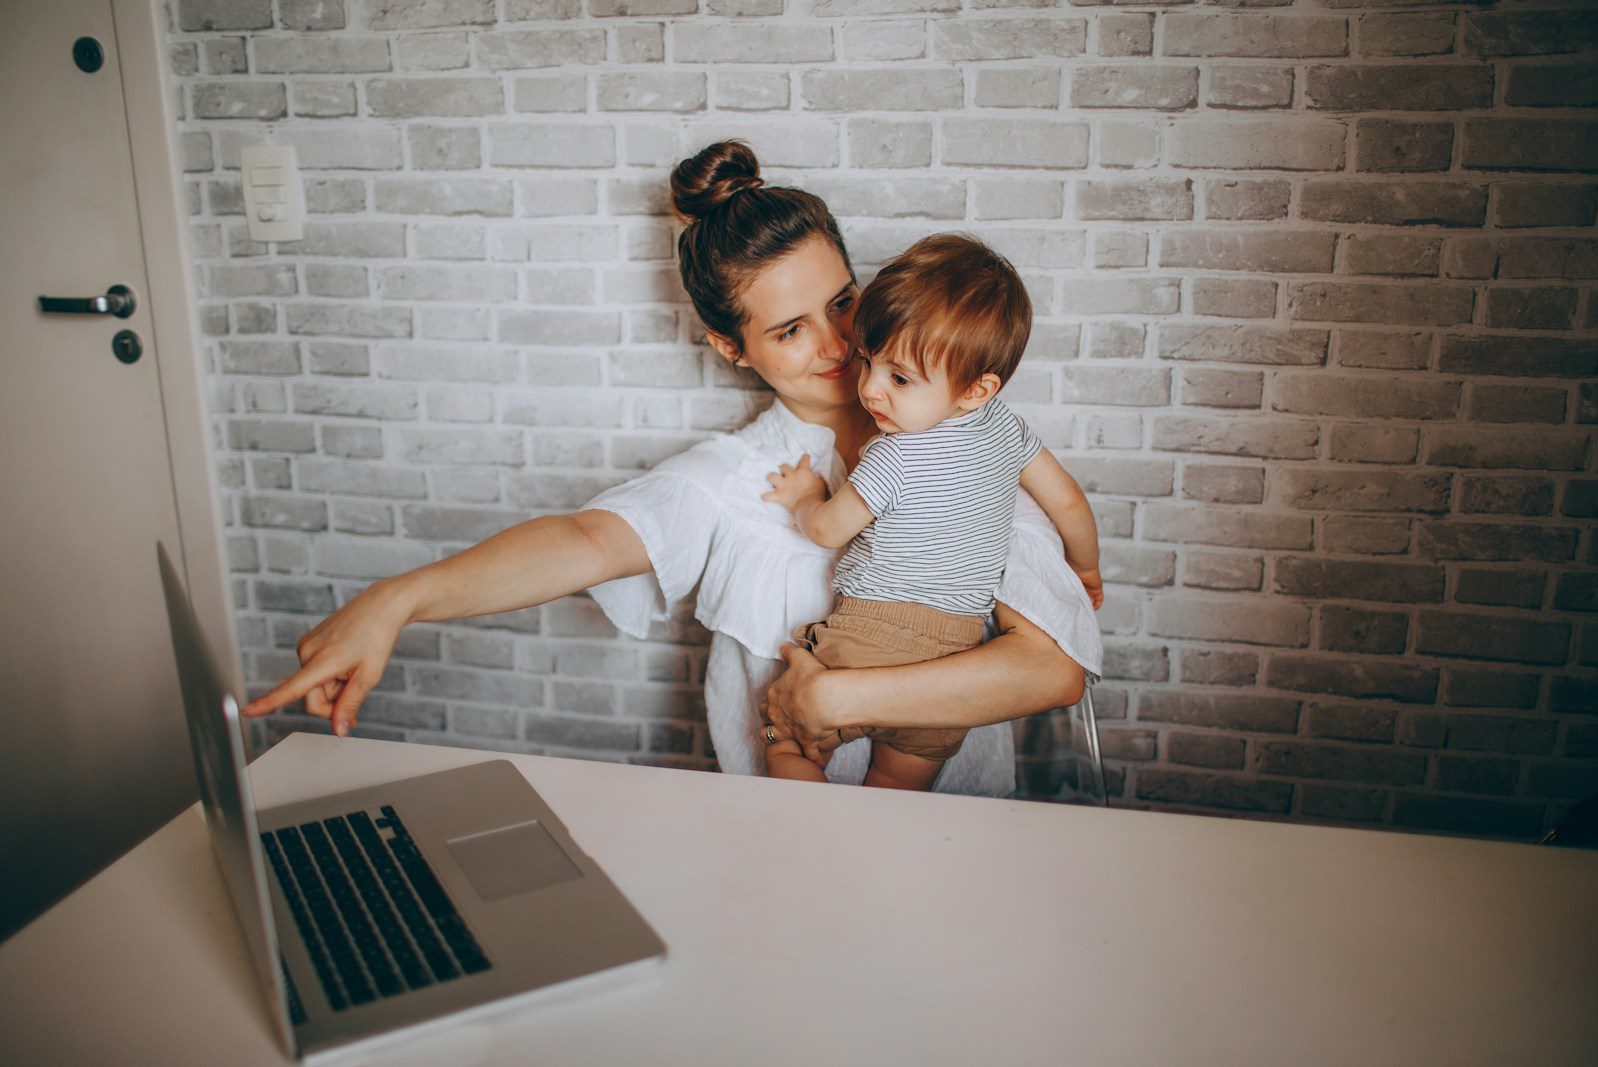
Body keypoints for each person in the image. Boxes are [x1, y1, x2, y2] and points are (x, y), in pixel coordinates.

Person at [241, 139, 1103, 797]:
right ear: (733, 347)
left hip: (956, 852)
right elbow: (584, 541)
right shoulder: (733, 478)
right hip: (785, 863)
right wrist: (397, 599)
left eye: (843, 301)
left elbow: (1052, 668)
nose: (840, 344)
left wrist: (833, 703)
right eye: (789, 329)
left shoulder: (967, 442)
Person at [761, 233, 1102, 790]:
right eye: (868, 361)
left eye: (899, 378)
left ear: (976, 389)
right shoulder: (1008, 429)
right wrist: (1085, 569)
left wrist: (803, 496)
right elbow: (1068, 500)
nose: (870, 389)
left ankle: (808, 825)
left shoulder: (893, 456)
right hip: (951, 664)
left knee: (785, 738)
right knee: (898, 796)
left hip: (865, 638)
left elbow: (826, 529)